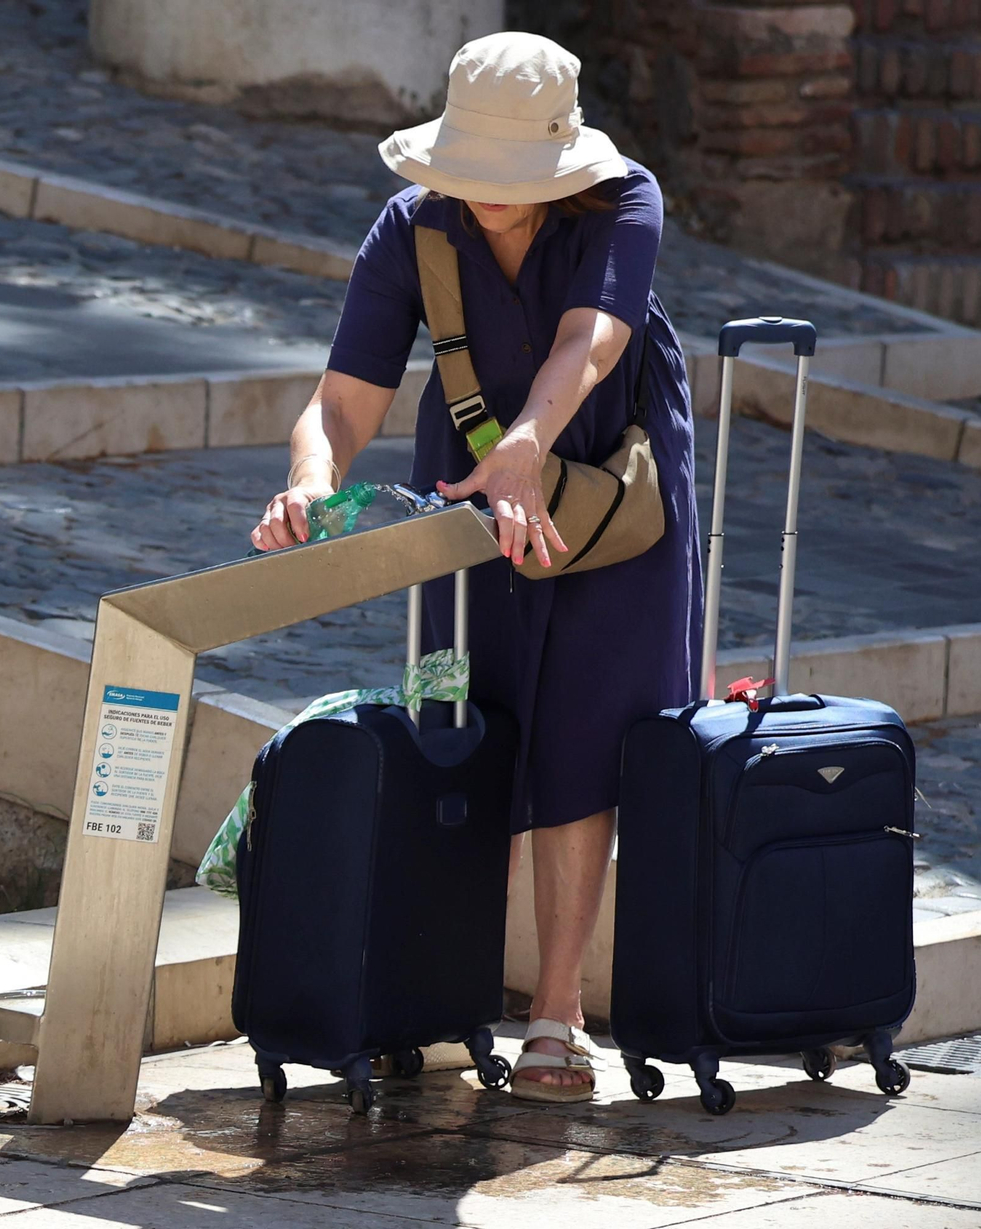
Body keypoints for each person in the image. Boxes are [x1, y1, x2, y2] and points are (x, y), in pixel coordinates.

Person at [250, 31, 701, 1102]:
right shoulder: (413, 224)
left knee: (589, 729)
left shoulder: (624, 200)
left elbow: (588, 343)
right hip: (468, 490)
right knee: (467, 722)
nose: (490, 196)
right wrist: (311, 478)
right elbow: (344, 394)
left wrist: (529, 448)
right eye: (474, 173)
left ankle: (557, 1010)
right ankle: (438, 988)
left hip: (603, 488)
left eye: (513, 176)